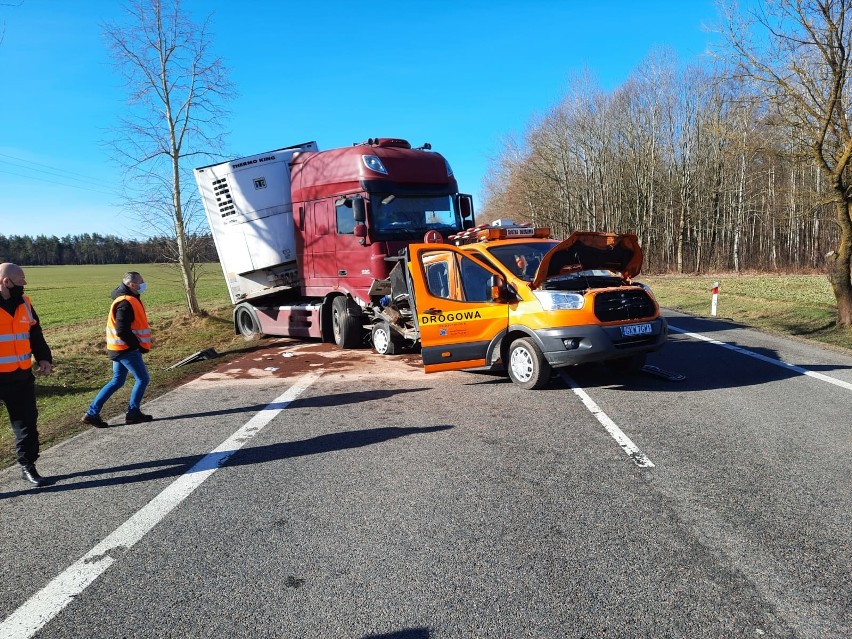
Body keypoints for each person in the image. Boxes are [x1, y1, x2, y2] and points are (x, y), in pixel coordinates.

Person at [0, 263, 54, 487]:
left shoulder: (25, 302)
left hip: (21, 375)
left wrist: (44, 357)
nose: (25, 283)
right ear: (6, 281)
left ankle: (27, 466)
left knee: (27, 424)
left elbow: (35, 332)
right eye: (21, 279)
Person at [81, 271, 153, 427]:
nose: (144, 283)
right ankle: (133, 413)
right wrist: (136, 345)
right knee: (143, 379)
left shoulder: (127, 299)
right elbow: (122, 329)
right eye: (141, 281)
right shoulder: (126, 302)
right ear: (132, 285)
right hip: (126, 349)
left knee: (117, 381)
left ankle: (92, 414)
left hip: (118, 348)